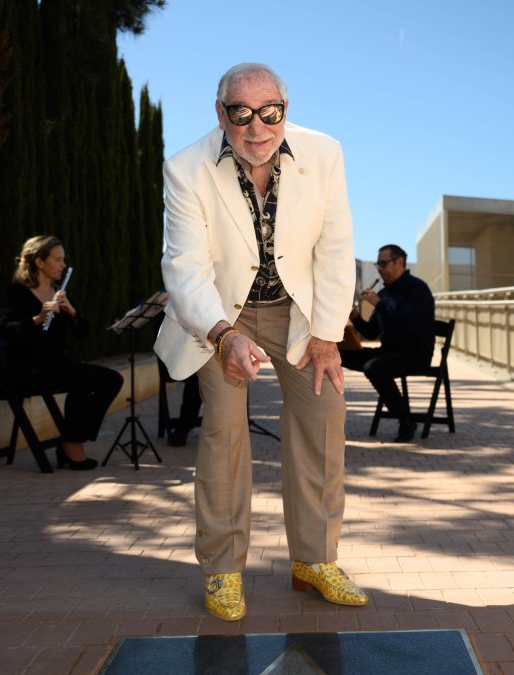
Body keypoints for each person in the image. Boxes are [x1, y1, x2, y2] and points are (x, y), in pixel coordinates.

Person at [155, 63, 366, 622]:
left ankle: (314, 562)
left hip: (297, 312)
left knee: (324, 421)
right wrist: (222, 336)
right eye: (240, 114)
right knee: (224, 435)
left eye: (269, 113)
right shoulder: (185, 168)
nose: (256, 128)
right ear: (220, 112)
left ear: (284, 110)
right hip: (220, 315)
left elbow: (336, 247)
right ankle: (222, 569)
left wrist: (326, 335)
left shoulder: (325, 155)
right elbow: (185, 266)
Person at [0, 235, 124, 470]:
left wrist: (72, 313)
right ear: (39, 262)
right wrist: (38, 318)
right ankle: (73, 445)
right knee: (82, 379)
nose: (62, 265)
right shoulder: (17, 293)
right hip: (29, 368)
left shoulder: (59, 293)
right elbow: (7, 330)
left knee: (112, 379)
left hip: (57, 365)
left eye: (62, 260)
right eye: (57, 260)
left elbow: (82, 334)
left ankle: (72, 438)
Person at [341, 245, 436, 443]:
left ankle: (406, 421)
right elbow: (371, 332)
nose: (380, 269)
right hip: (389, 352)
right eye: (378, 264)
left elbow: (410, 324)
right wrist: (355, 316)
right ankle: (326, 415)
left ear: (399, 262)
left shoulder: (417, 289)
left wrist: (378, 304)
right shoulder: (384, 293)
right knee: (337, 356)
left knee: (375, 368)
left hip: (416, 353)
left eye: (384, 263)